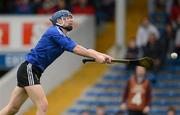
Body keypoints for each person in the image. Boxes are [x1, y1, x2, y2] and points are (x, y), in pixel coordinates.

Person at [0, 10, 113, 115]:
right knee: (42, 105)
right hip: (30, 68)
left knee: (13, 108)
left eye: (71, 17)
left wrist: (103, 56)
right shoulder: (54, 31)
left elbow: (86, 50)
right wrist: (97, 57)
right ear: (59, 21)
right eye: (67, 17)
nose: (71, 19)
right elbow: (77, 49)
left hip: (31, 70)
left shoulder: (63, 36)